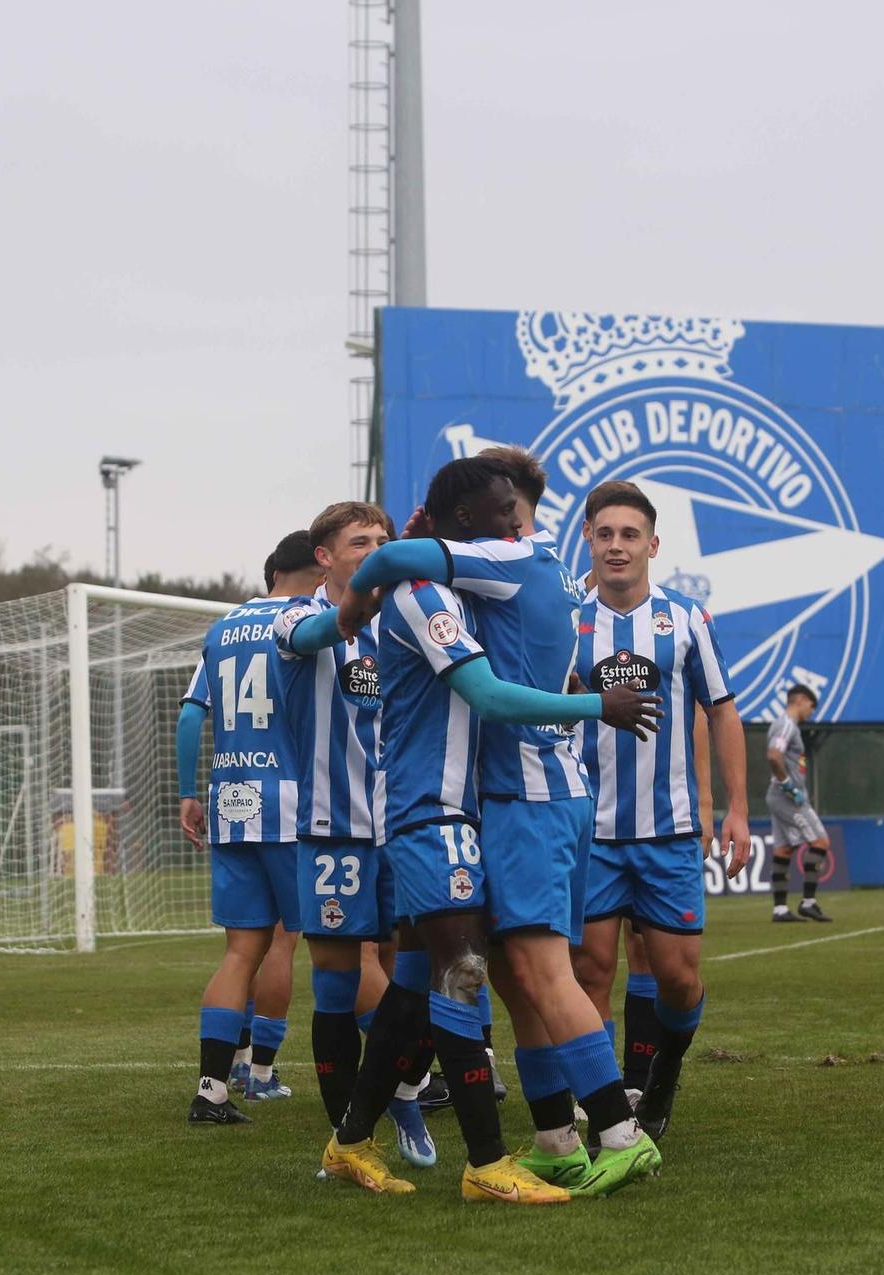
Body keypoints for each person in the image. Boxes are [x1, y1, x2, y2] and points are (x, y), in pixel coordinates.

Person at [338, 456, 667, 1201]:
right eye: (505, 511)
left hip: (517, 800)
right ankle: (540, 1140)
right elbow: (496, 675)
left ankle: (610, 1132)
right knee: (481, 978)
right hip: (493, 802)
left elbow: (487, 688)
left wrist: (351, 607)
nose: (515, 523)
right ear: (469, 521)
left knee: (517, 973)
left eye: (517, 510)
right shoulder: (497, 576)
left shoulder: (505, 564)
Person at [572, 480, 751, 1141]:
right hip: (587, 831)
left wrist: (734, 808)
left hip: (670, 831)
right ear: (588, 539)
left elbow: (722, 709)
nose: (616, 545)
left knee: (677, 978)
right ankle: (604, 1108)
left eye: (629, 534)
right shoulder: (568, 625)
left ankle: (663, 1072)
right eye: (604, 533)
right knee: (589, 970)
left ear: (653, 544)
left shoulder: (688, 620)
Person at [271, 500, 437, 1170]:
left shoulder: (402, 622)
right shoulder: (294, 617)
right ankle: (354, 1135)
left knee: (413, 976)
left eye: (383, 540)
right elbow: (321, 633)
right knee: (341, 983)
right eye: (359, 541)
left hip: (403, 824)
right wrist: (356, 609)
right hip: (331, 827)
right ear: (324, 556)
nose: (373, 548)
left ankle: (397, 1090)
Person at [173, 532, 316, 1125]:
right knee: (310, 944)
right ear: (321, 563)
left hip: (230, 793)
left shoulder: (221, 628)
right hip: (295, 798)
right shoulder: (313, 621)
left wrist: (187, 792)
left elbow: (189, 717)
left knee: (239, 952)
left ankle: (212, 1089)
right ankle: (261, 1073)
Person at [768, 684, 834, 924]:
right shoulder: (786, 724)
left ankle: (780, 910)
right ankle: (808, 902)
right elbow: (774, 755)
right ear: (802, 700)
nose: (811, 712)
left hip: (778, 795)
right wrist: (788, 786)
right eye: (811, 707)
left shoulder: (786, 724)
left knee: (783, 850)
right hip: (787, 797)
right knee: (820, 842)